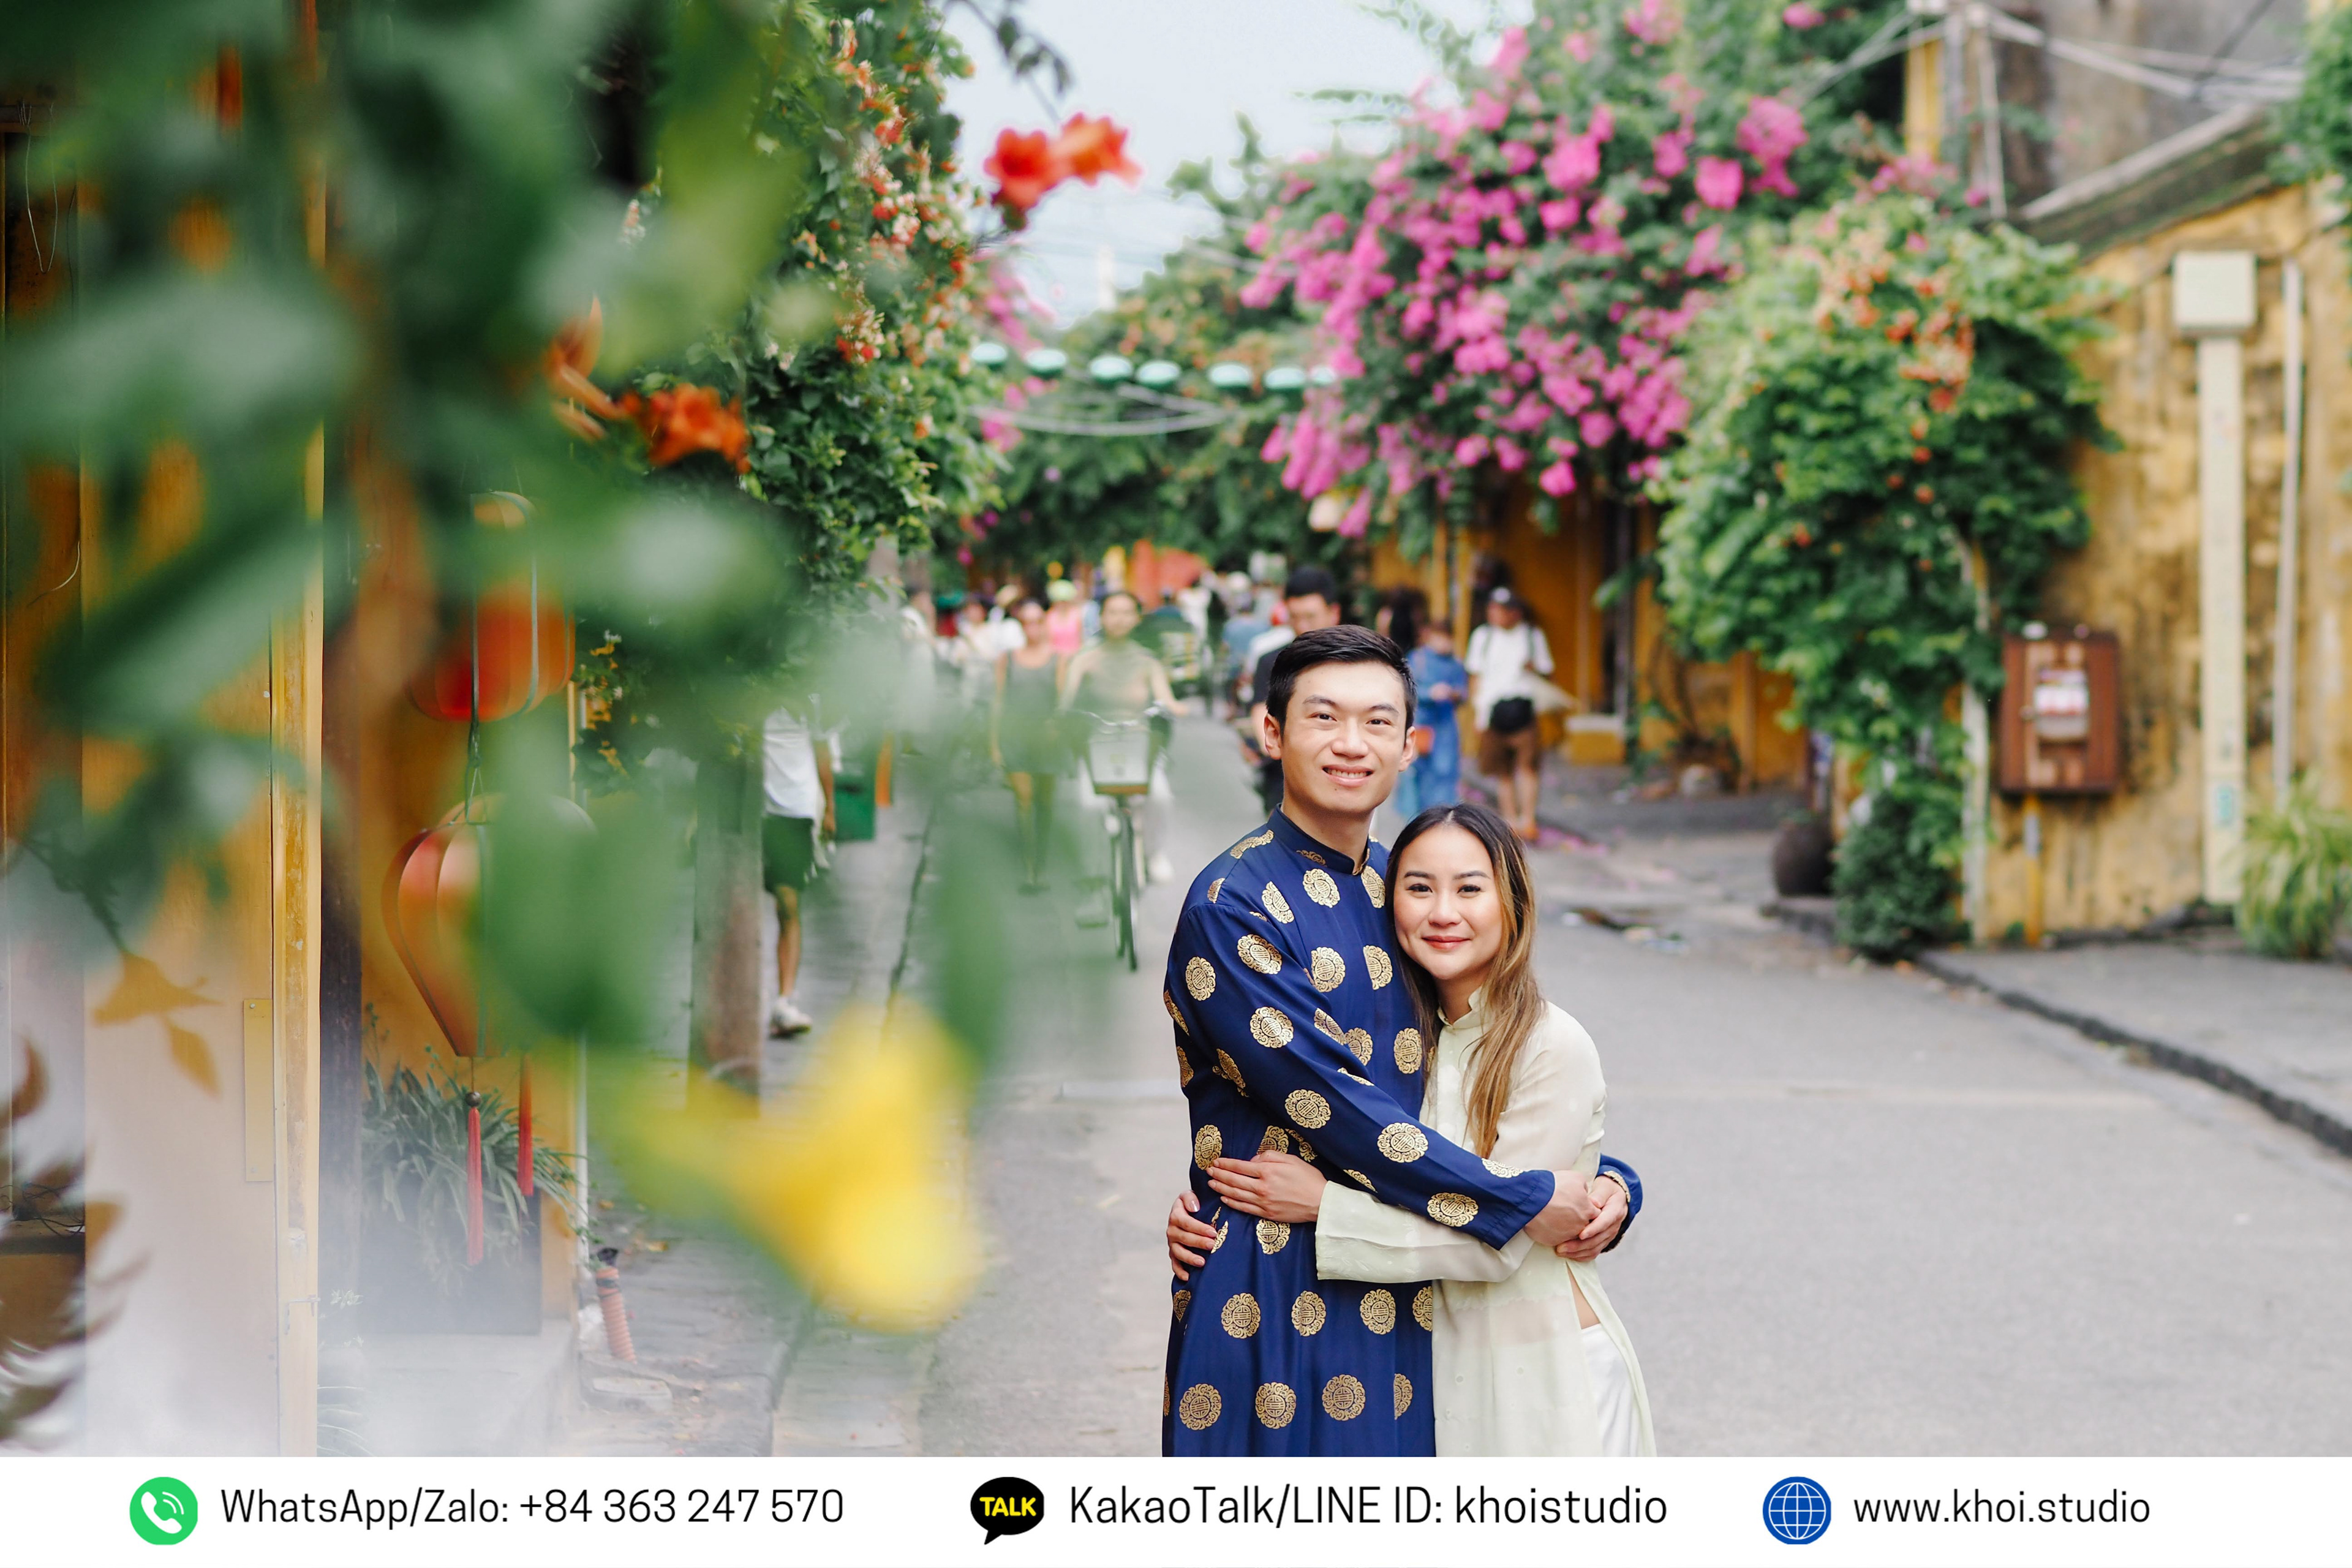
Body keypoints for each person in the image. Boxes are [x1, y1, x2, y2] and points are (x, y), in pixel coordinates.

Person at [1153, 625, 1640, 1455]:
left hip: (1416, 1287)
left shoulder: (1399, 886)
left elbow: (1478, 1061)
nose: (1352, 744)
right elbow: (1335, 1107)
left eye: (1378, 722)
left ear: (1410, 744)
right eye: (1323, 718)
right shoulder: (1230, 907)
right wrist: (1526, 1198)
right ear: (1271, 734)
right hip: (1272, 1277)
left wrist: (1605, 1182)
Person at [1060, 589, 1180, 886]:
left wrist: (1176, 708)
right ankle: (1092, 875)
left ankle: (1153, 854)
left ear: (1137, 618)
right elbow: (1065, 702)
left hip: (1139, 744)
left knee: (1160, 796)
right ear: (1101, 617)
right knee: (1089, 806)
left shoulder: (1147, 662)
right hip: (1097, 745)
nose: (1119, 619)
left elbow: (1167, 699)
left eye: (1127, 612)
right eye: (1113, 612)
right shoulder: (1084, 659)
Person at [1238, 567, 1343, 815]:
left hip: (1346, 777)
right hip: (1285, 781)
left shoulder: (1359, 664)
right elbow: (1261, 716)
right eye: (1295, 617)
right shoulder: (1273, 663)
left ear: (1334, 613)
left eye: (1311, 616)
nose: (1303, 626)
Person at [761, 698, 836, 1036]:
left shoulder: (811, 702)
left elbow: (823, 753)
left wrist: (830, 807)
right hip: (757, 810)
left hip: (795, 812)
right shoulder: (751, 689)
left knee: (788, 904)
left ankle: (785, 999)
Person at [1465, 587, 1555, 839]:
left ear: (1515, 613)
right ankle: (1511, 819)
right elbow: (1476, 677)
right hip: (1494, 709)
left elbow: (1547, 671)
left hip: (1524, 708)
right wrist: (1479, 714)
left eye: (1502, 610)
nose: (1497, 615)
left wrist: (1533, 667)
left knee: (1528, 766)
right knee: (1502, 769)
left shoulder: (1531, 636)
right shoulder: (1483, 637)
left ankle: (1529, 818)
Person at [990, 598, 1065, 891]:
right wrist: (994, 744)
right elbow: (998, 702)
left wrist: (1058, 728)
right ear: (1020, 626)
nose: (1032, 628)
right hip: (1016, 737)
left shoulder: (1058, 659)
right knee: (1023, 801)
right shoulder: (1007, 659)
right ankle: (1029, 867)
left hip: (1047, 740)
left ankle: (1042, 861)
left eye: (1038, 622)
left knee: (1045, 803)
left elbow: (1062, 701)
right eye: (1027, 622)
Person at [1397, 616, 1468, 821]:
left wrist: (1453, 694)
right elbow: (1407, 691)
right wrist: (1430, 693)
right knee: (1415, 775)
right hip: (1421, 726)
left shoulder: (1455, 663)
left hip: (1445, 728)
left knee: (1445, 774)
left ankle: (1441, 822)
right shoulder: (1417, 659)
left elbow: (1463, 693)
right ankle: (1415, 822)